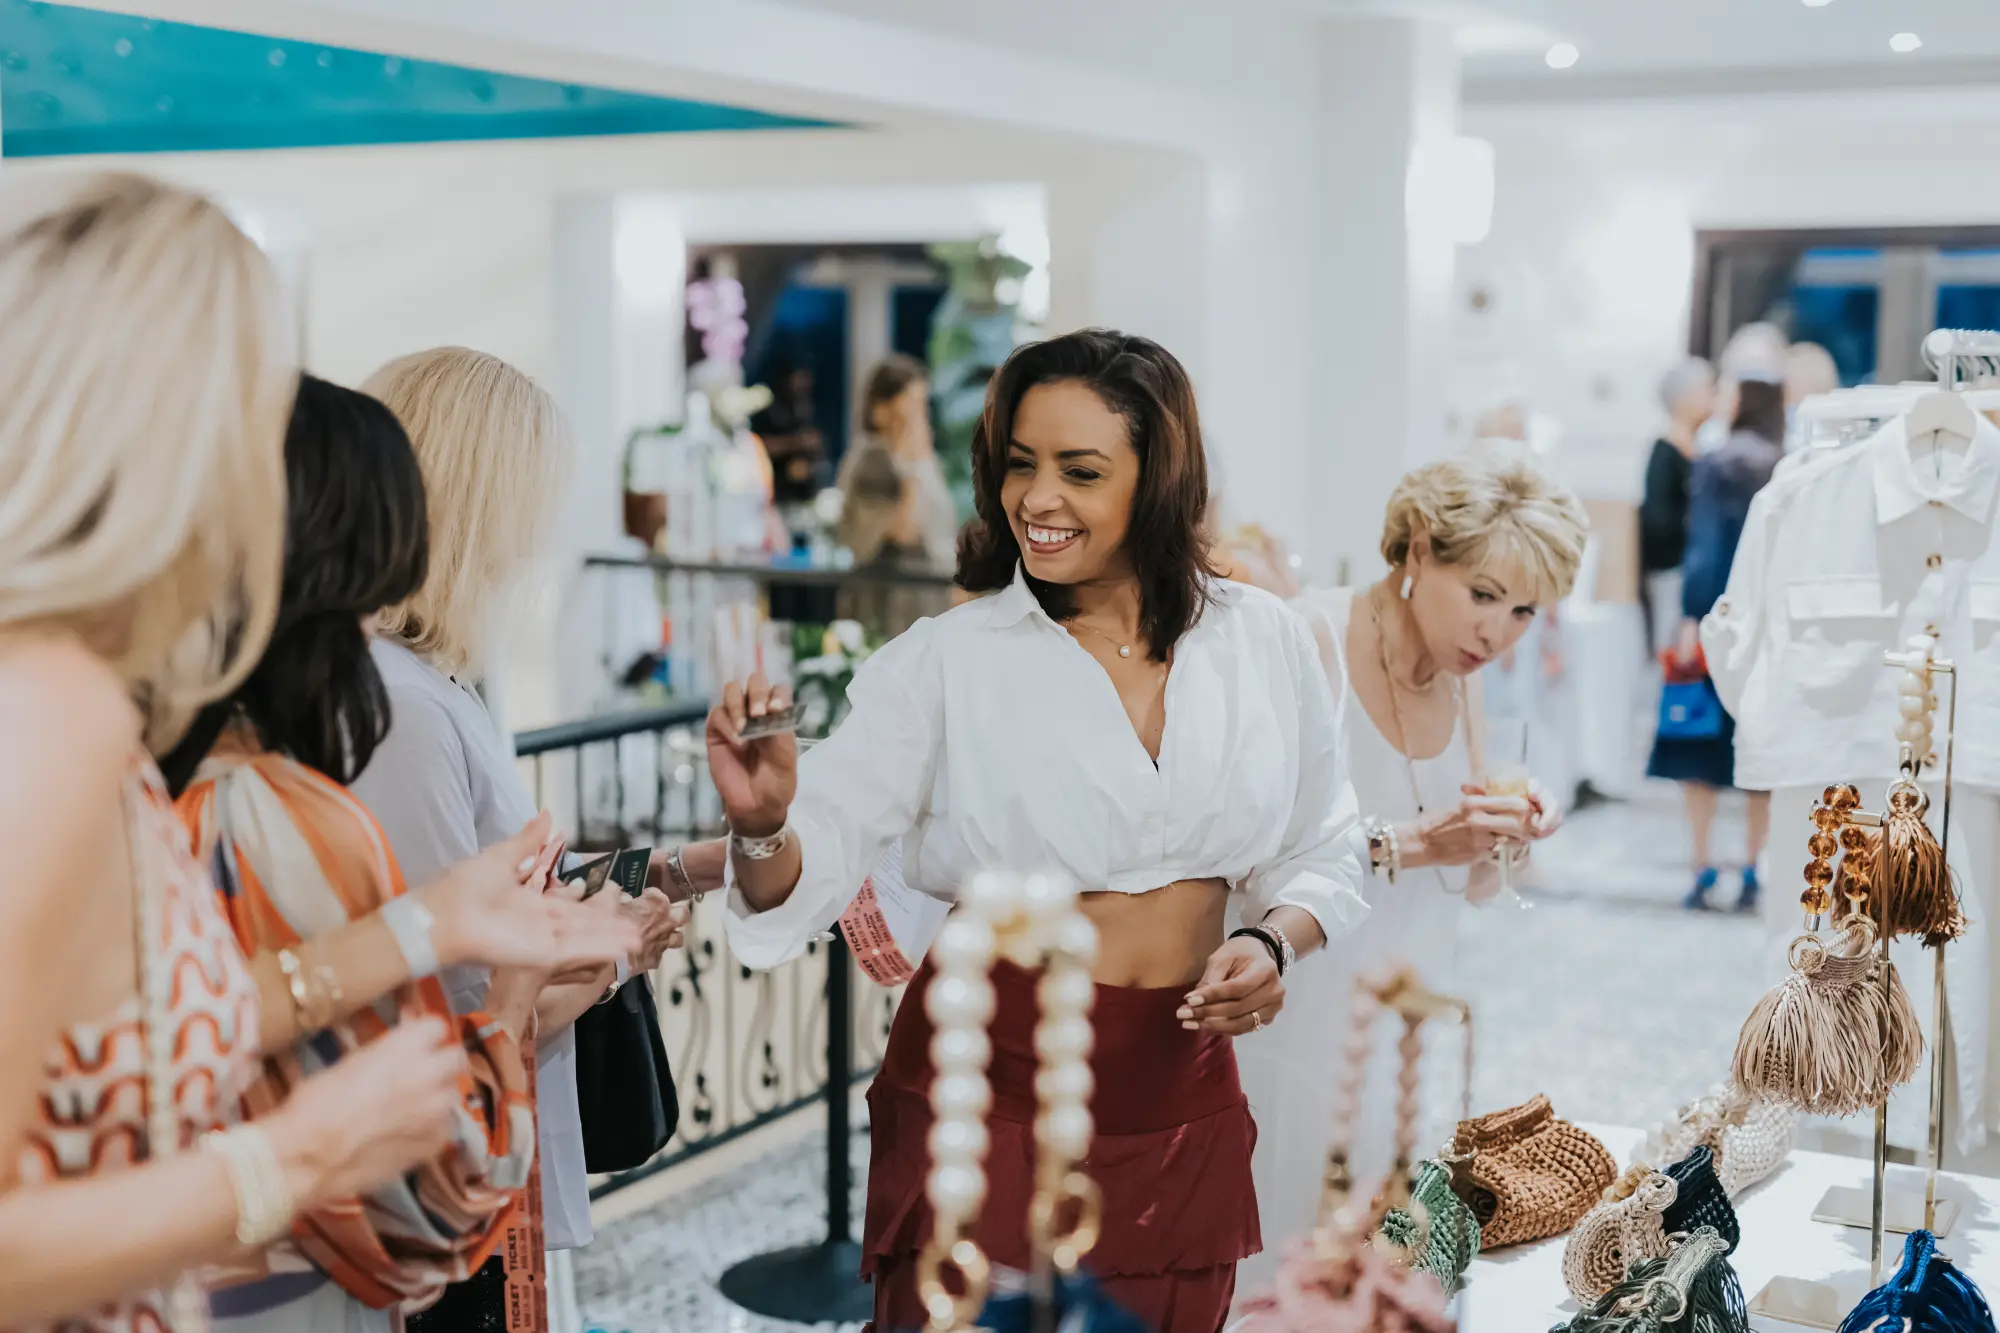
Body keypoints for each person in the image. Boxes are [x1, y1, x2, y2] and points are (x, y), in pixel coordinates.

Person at [0, 172, 603, 1331]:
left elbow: (145, 1027)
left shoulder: (87, 699)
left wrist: (427, 924)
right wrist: (291, 1159)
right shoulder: (50, 716)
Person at [707, 329, 1367, 1332]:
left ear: (1158, 478)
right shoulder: (948, 661)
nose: (1037, 498)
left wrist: (1273, 940)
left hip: (1180, 1086)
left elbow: (1327, 840)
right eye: (1020, 464)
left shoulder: (1263, 640)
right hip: (990, 1087)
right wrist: (762, 825)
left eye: (1080, 470)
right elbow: (810, 858)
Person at [160, 376, 638, 1328]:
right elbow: (442, 1142)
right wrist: (518, 972)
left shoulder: (183, 779)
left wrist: (443, 923)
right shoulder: (290, 795)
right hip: (300, 1267)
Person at [350, 347, 724, 1326]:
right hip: (438, 1184)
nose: (536, 545)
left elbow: (507, 886)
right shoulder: (403, 708)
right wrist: (615, 956)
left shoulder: (430, 681)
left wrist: (688, 865)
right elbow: (457, 1013)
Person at [1237, 453, 1586, 1279]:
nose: (1497, 633)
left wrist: (1508, 834)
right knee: (1275, 1258)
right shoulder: (1309, 637)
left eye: (1523, 610)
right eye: (1483, 594)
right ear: (1421, 548)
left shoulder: (1463, 678)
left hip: (1400, 1027)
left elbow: (1471, 884)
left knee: (1369, 1266)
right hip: (1293, 1016)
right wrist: (1414, 841)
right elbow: (1249, 854)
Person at [1651, 372, 1787, 912]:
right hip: (1771, 626)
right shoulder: (1788, 463)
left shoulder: (1716, 462)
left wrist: (1691, 615)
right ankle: (1754, 865)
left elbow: (1704, 547)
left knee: (1699, 747)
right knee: (1759, 748)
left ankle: (1702, 864)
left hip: (1718, 619)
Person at [835, 353, 957, 635]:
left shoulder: (926, 461)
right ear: (883, 407)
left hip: (926, 600)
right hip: (890, 606)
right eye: (912, 404)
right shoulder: (873, 459)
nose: (920, 416)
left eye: (923, 404)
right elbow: (903, 531)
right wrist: (912, 469)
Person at [1640, 358, 1717, 655]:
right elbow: (1657, 520)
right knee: (1671, 648)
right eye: (1706, 389)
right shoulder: (1665, 451)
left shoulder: (1699, 449)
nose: (1712, 397)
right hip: (1671, 569)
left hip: (1692, 568)